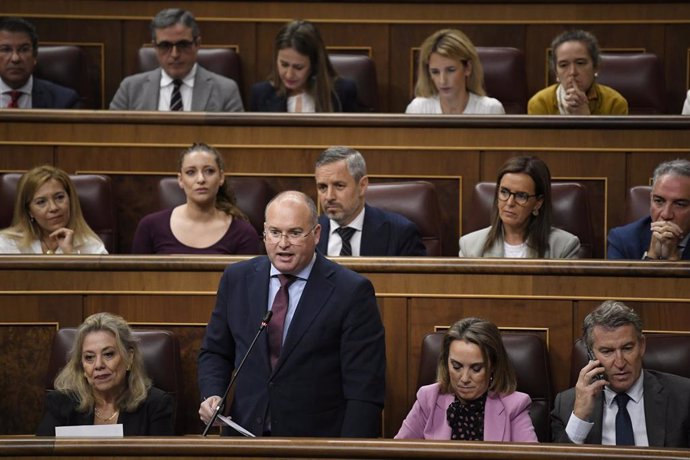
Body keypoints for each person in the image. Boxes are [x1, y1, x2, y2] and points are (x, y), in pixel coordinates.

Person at [197, 191, 385, 437]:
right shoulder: (237, 279)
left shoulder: (351, 291)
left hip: (315, 444)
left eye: (295, 233)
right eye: (274, 232)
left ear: (316, 234)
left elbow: (364, 390)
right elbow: (215, 352)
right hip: (244, 437)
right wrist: (213, 394)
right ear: (264, 232)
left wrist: (349, 453)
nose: (283, 243)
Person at [551, 300, 690, 446]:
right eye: (607, 351)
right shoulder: (567, 405)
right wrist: (580, 417)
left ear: (642, 345)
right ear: (591, 355)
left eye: (627, 348)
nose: (620, 363)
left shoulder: (683, 397)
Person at [395, 317, 537, 441]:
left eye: (476, 369)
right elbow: (398, 452)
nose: (464, 378)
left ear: (492, 365)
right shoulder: (428, 399)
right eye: (456, 367)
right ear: (446, 362)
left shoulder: (514, 406)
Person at [36, 312, 174, 436]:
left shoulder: (155, 405)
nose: (98, 365)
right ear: (82, 366)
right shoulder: (61, 403)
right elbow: (38, 456)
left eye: (108, 354)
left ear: (129, 358)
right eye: (89, 357)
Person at [131, 143, 260, 254]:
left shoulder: (243, 233)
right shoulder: (150, 226)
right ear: (181, 180)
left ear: (221, 177)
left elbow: (249, 282)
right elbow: (136, 280)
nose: (201, 179)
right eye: (191, 172)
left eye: (209, 171)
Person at [109, 8, 243, 112]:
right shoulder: (130, 89)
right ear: (155, 46)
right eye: (165, 46)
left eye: (183, 45)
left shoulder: (226, 90)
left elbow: (236, 141)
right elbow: (114, 137)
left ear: (197, 44)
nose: (174, 54)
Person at [314, 146, 426, 256]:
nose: (329, 197)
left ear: (362, 186)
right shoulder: (307, 234)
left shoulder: (400, 233)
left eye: (339, 185)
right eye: (322, 187)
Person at [459, 156, 580, 258]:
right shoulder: (470, 246)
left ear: (538, 202)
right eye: (504, 192)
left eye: (521, 196)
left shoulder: (564, 247)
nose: (510, 202)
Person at [250, 20, 359, 113]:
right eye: (284, 64)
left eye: (298, 67)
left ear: (315, 64)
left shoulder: (342, 93)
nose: (289, 74)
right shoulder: (261, 94)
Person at [0, 165, 107, 254]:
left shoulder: (91, 247)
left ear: (70, 200)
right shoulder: (7, 244)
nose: (54, 208)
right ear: (29, 211)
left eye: (59, 197)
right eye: (41, 202)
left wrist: (70, 255)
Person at [528, 30, 628, 115]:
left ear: (596, 67)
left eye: (580, 63)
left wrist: (584, 118)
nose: (572, 72)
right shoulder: (540, 103)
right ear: (556, 73)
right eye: (563, 65)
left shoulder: (615, 103)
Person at [405, 29, 504, 115]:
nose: (442, 81)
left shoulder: (490, 110)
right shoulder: (418, 110)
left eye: (450, 70)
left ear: (468, 68)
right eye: (435, 72)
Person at [608, 159, 690, 260]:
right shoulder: (623, 240)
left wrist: (673, 257)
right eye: (659, 201)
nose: (666, 214)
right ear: (651, 199)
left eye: (680, 204)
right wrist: (651, 255)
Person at [0, 17, 78, 109]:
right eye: (5, 49)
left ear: (35, 56)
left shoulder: (63, 100)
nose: (15, 58)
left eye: (24, 49)